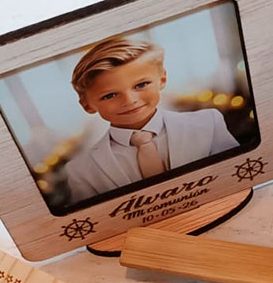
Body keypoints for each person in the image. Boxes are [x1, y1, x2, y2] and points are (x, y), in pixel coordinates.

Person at [63, 35, 238, 203]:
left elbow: (235, 175)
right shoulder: (80, 171)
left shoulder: (208, 124)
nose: (130, 100)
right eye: (110, 95)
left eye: (141, 85)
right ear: (87, 105)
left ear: (162, 79)